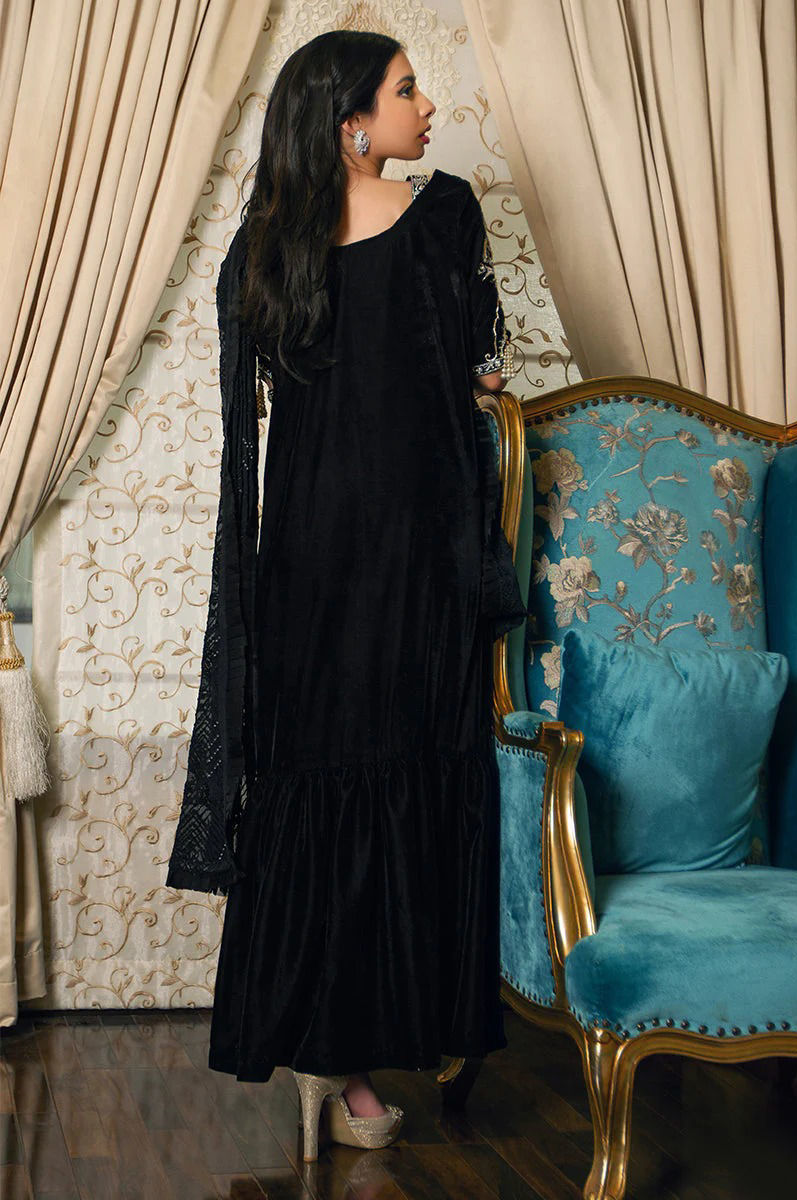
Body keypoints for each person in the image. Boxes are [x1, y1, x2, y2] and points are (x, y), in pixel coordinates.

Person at [165, 29, 526, 1162]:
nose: (429, 106)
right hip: (330, 570)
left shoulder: (444, 213)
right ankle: (339, 1062)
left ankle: (364, 1057)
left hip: (408, 568)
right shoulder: (271, 247)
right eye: (407, 90)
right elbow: (258, 432)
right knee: (327, 788)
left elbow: (474, 381)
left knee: (404, 776)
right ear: (350, 123)